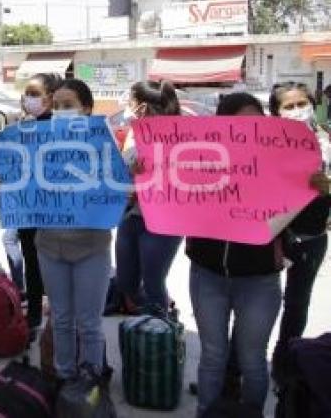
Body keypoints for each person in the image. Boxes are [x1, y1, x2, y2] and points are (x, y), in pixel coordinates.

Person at [186, 93, 288, 415]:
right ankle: (207, 412)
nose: (247, 132)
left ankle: (252, 413)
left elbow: (308, 220)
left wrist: (316, 190)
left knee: (253, 360)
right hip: (208, 275)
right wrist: (146, 170)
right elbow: (167, 193)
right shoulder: (201, 162)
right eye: (237, 124)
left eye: (255, 123)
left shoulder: (280, 165)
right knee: (213, 356)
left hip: (259, 280)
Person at [33, 78, 112, 381]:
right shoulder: (39, 143)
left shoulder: (103, 146)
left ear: (87, 109)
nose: (61, 112)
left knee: (89, 323)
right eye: (57, 107)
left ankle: (91, 380)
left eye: (69, 106)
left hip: (91, 248)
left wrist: (132, 178)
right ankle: (64, 378)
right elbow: (22, 182)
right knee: (61, 319)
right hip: (50, 247)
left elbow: (118, 187)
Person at [268, 82, 331, 381]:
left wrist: (327, 188)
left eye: (301, 104)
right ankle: (237, 365)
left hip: (310, 240)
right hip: (270, 236)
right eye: (288, 106)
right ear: (275, 113)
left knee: (296, 303)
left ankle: (284, 365)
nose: (297, 111)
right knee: (256, 301)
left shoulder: (327, 143)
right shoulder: (265, 147)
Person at [115, 80, 182, 313]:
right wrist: (131, 176)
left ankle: (160, 327)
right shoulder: (134, 132)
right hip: (132, 215)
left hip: (163, 222)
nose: (126, 106)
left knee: (154, 283)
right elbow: (124, 173)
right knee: (126, 281)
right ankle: (152, 313)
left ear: (142, 107)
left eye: (130, 101)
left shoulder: (180, 134)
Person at [3, 72, 63, 331]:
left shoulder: (62, 129)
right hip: (27, 209)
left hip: (54, 213)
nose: (27, 98)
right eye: (26, 93)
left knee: (49, 266)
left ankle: (50, 317)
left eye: (34, 93)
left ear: (51, 98)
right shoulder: (22, 130)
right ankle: (36, 315)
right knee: (32, 263)